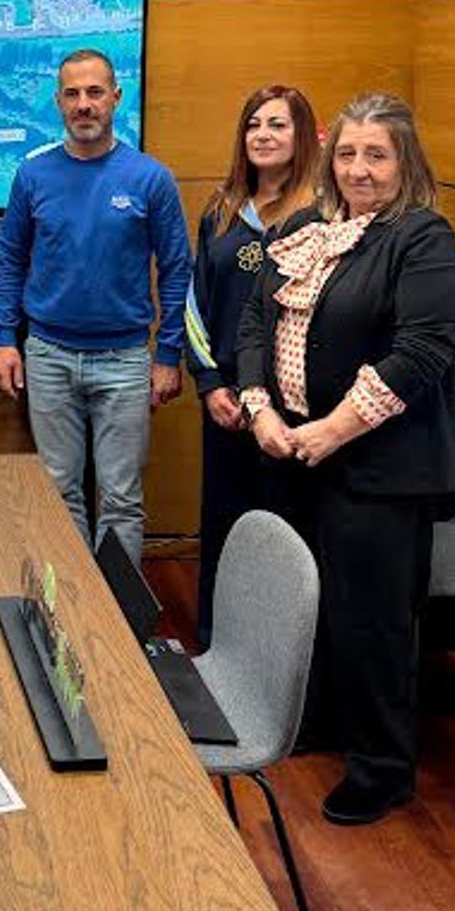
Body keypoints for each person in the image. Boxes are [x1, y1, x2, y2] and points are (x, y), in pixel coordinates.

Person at [237, 93, 455, 825]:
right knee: (319, 607)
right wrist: (260, 408)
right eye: (347, 154)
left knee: (375, 623)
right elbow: (254, 318)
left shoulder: (422, 237)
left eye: (376, 155)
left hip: (380, 469)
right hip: (302, 456)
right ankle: (328, 725)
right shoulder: (309, 228)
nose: (359, 169)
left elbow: (423, 351)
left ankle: (382, 769)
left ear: (405, 162)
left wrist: (332, 429)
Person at [0, 48, 190, 565]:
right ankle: (76, 605)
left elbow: (176, 270)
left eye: (95, 92)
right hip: (48, 355)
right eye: (73, 94)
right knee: (59, 491)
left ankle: (118, 609)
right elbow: (10, 258)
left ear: (116, 98)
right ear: (58, 101)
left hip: (125, 361)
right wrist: (4, 338)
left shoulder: (151, 179)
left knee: (121, 499)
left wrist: (169, 355)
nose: (84, 104)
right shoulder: (33, 176)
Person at [184, 85, 319, 646]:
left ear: (302, 135)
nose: (263, 135)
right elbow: (195, 304)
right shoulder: (221, 211)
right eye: (254, 124)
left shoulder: (320, 215)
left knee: (287, 528)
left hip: (292, 410)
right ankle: (218, 642)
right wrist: (210, 383)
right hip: (225, 404)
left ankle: (278, 655)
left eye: (278, 125)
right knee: (226, 521)